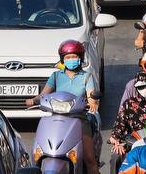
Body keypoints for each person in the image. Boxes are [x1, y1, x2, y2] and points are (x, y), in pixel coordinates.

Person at [26, 40, 99, 174]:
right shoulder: (56, 76)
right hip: (56, 118)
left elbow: (90, 94)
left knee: (89, 159)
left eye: (74, 57)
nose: (71, 60)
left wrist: (93, 101)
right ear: (62, 59)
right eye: (68, 57)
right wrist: (34, 100)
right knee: (39, 151)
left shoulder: (86, 76)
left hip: (79, 119)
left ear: (80, 58)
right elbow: (44, 94)